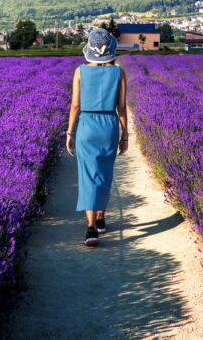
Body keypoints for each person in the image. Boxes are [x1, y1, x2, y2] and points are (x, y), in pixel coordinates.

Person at [66, 27, 129, 247]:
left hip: (87, 124)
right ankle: (102, 218)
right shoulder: (118, 72)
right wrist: (125, 137)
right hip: (109, 125)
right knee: (105, 172)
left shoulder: (80, 71)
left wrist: (69, 133)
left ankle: (91, 228)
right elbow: (121, 108)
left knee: (88, 175)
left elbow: (75, 105)